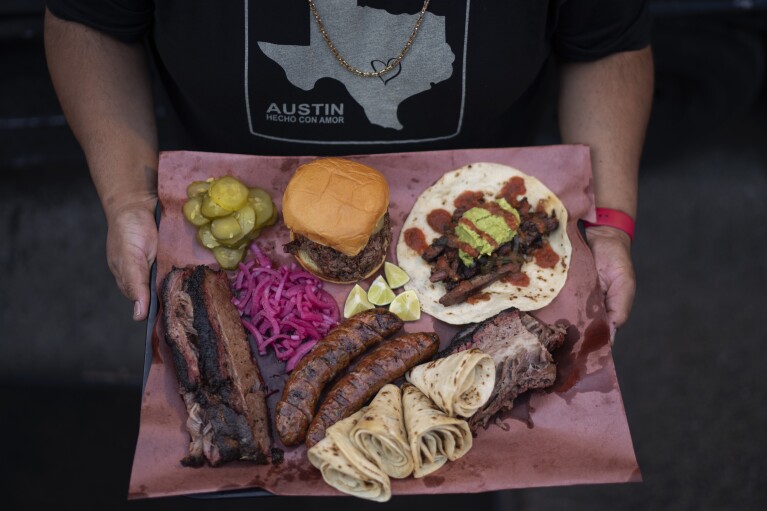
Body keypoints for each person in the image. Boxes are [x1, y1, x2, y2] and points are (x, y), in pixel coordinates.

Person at [43, 0, 653, 343]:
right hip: (228, 240)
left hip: (491, 238)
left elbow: (606, 40)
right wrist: (128, 196)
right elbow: (89, 19)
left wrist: (610, 222)